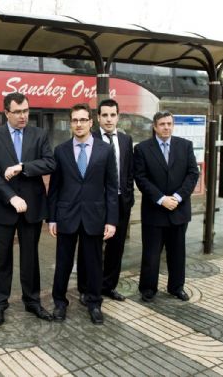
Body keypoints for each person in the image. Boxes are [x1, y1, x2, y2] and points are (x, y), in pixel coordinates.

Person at [0, 92, 56, 326]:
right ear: (6, 113)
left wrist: (22, 166)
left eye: (26, 111)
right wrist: (11, 197)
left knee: (30, 257)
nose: (23, 116)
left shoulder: (39, 134)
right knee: (1, 258)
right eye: (18, 112)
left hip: (32, 206)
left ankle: (32, 300)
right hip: (3, 207)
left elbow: (49, 162)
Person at [48, 103, 118, 324]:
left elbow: (111, 188)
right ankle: (59, 303)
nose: (78, 124)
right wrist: (52, 217)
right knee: (63, 264)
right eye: (75, 120)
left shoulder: (105, 150)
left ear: (91, 122)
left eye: (83, 120)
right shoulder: (60, 151)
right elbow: (55, 188)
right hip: (66, 217)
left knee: (94, 263)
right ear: (71, 124)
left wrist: (112, 220)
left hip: (94, 217)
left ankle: (94, 303)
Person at [134, 111, 199, 303]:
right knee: (151, 254)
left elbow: (192, 174)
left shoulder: (185, 146)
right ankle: (148, 288)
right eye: (162, 124)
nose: (166, 127)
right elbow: (141, 178)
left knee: (177, 253)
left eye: (169, 124)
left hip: (179, 210)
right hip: (155, 210)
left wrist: (177, 197)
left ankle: (176, 287)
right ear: (155, 126)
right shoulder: (143, 149)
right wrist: (162, 199)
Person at [77, 99, 135, 304]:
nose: (109, 119)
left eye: (113, 115)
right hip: (95, 204)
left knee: (116, 247)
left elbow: (129, 171)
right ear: (98, 118)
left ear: (118, 116)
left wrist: (128, 196)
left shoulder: (126, 140)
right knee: (89, 248)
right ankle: (85, 288)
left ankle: (108, 286)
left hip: (120, 202)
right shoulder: (89, 138)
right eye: (105, 115)